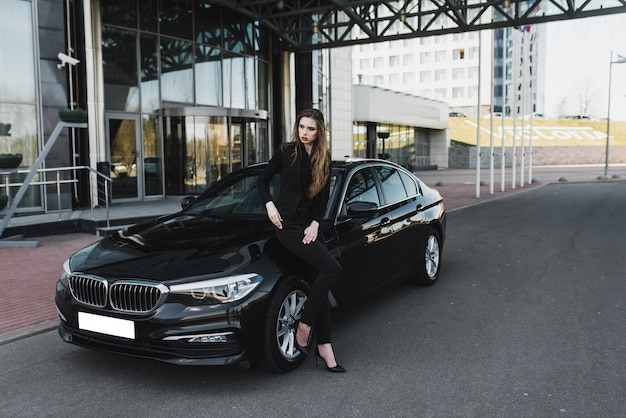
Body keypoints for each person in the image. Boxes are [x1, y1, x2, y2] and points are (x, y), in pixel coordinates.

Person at [257, 108, 345, 373]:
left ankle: (325, 346)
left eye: (311, 129)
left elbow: (322, 199)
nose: (304, 133)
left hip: (308, 227)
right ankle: (305, 327)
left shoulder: (322, 157)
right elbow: (262, 181)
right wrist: (270, 206)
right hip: (287, 226)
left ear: (319, 132)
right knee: (332, 269)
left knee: (321, 278)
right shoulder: (287, 152)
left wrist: (317, 223)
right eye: (301, 127)